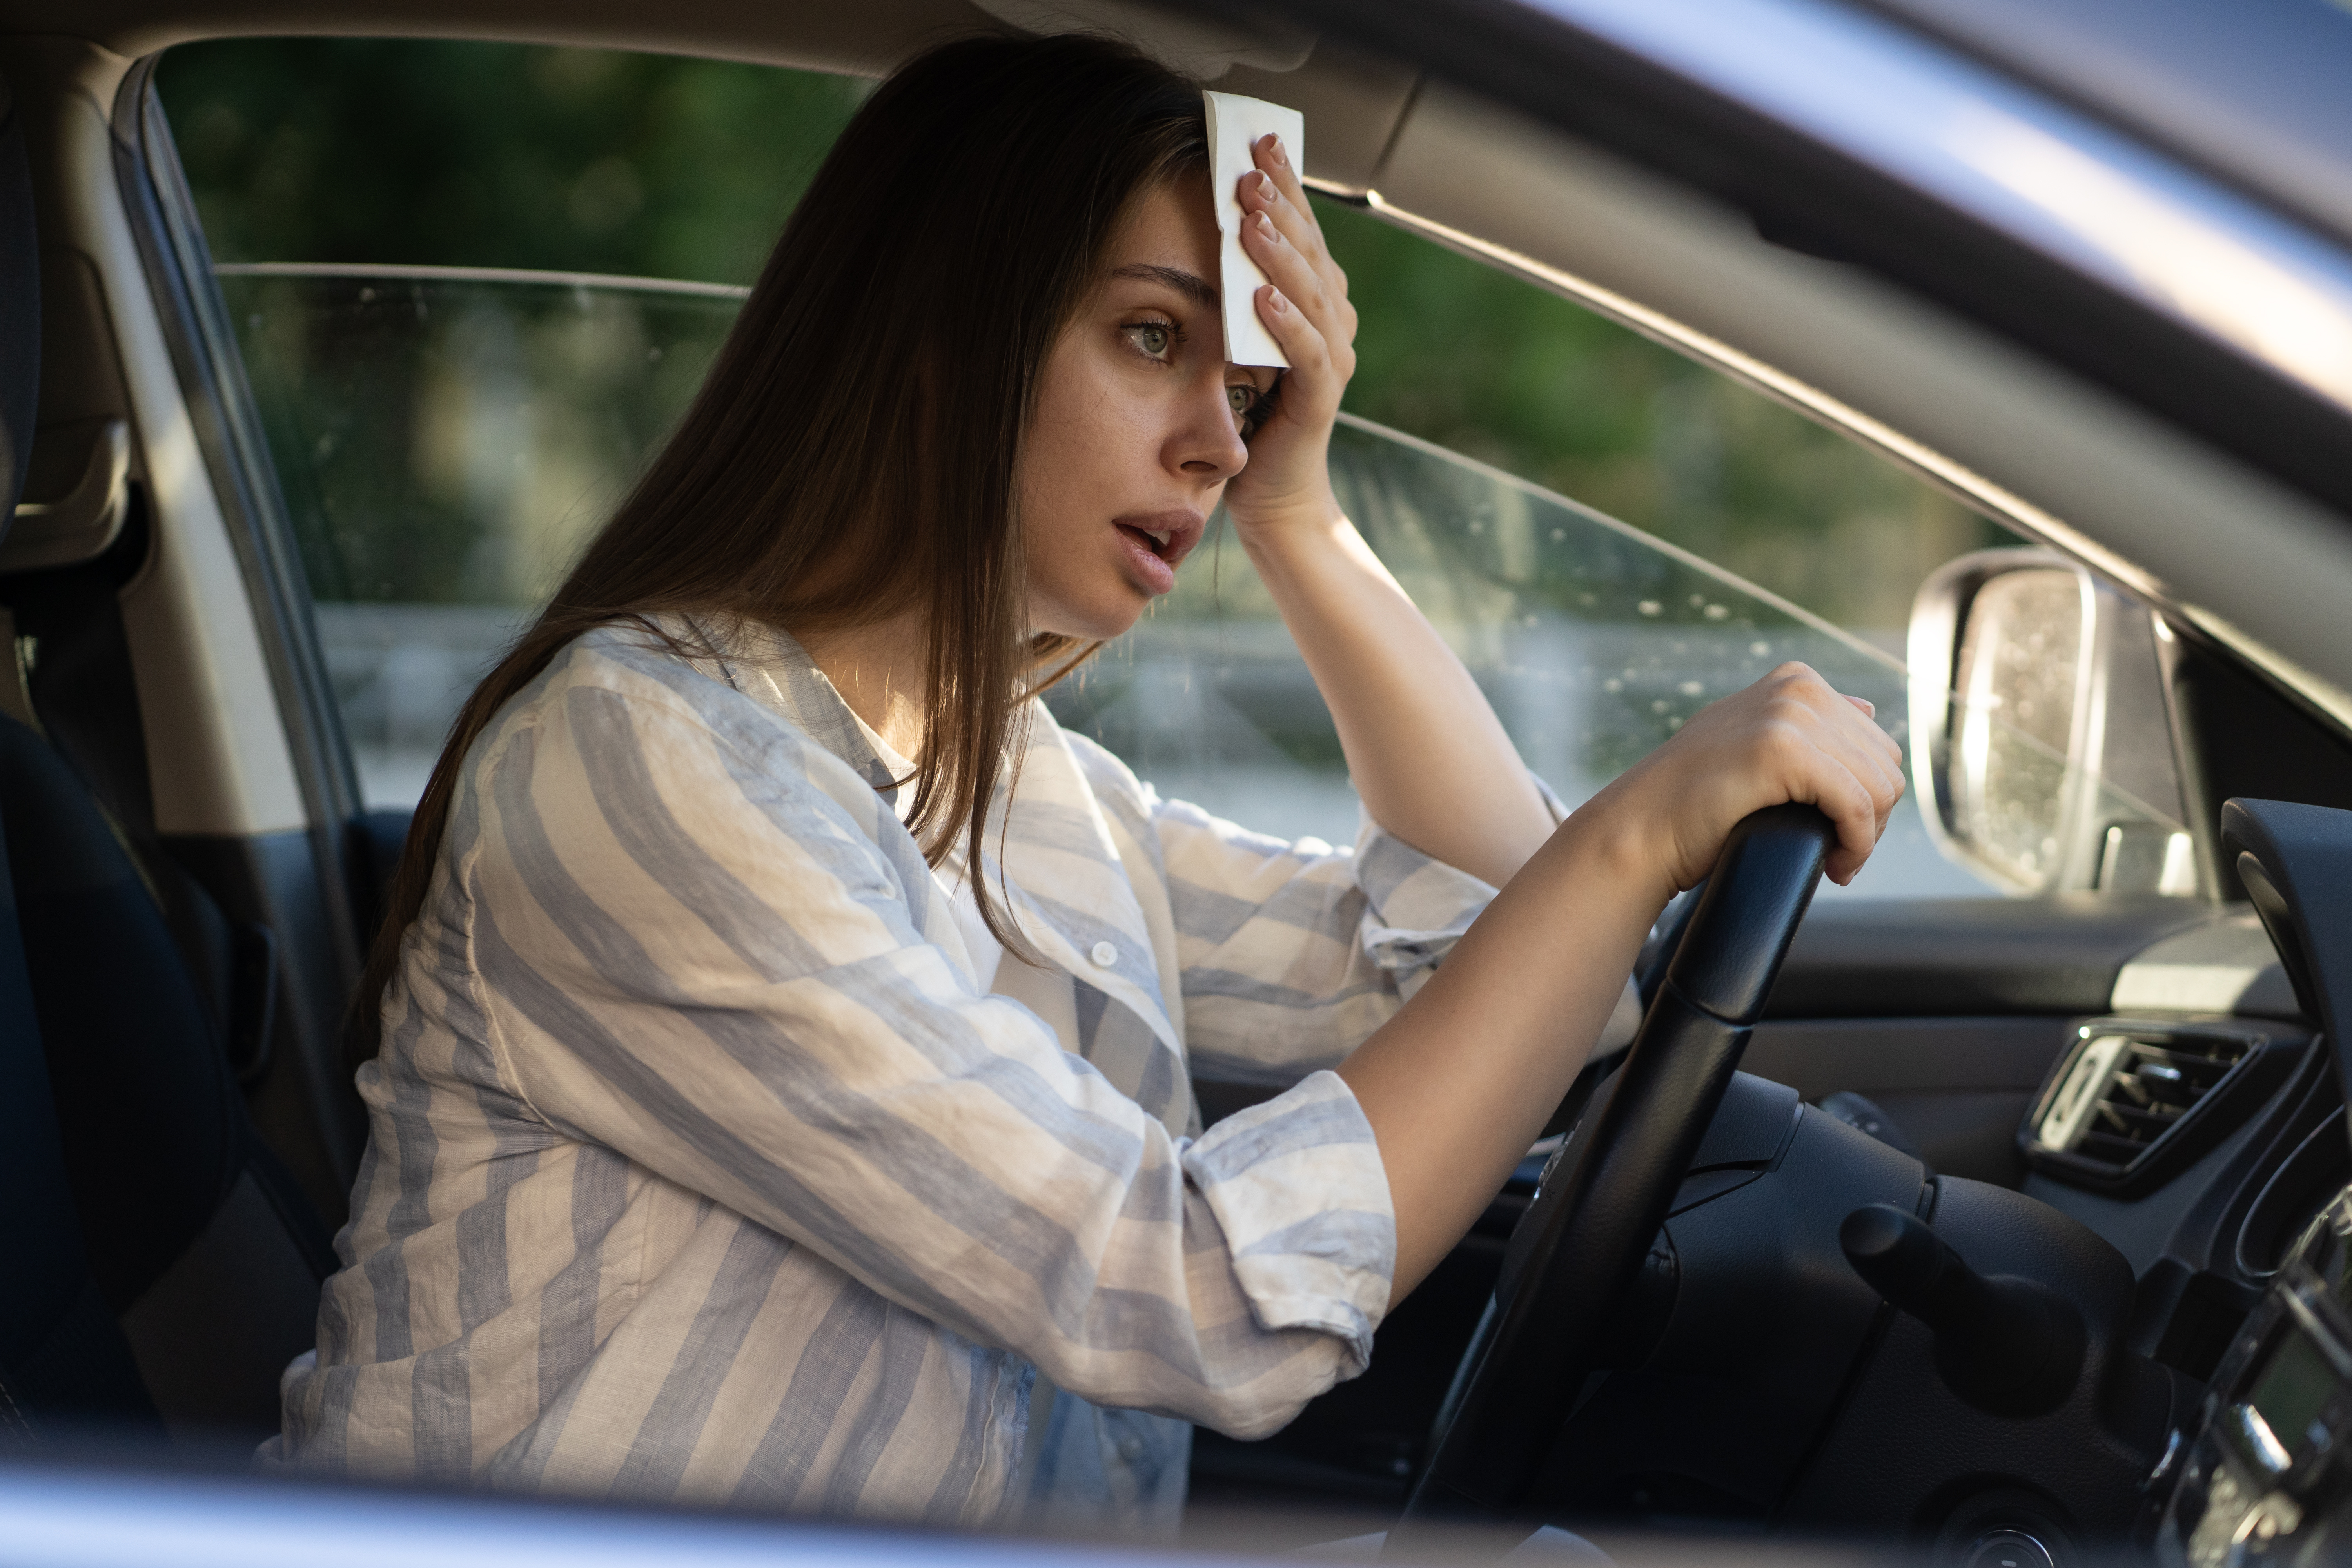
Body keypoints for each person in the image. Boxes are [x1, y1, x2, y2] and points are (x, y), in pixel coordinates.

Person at [269, 30, 1904, 1540]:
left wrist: (1303, 517)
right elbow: (1188, 1284)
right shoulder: (641, 763)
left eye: (1248, 394)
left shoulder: (1025, 782)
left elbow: (1500, 957)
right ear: (935, 331)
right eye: (1150, 338)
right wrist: (1634, 828)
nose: (1219, 442)